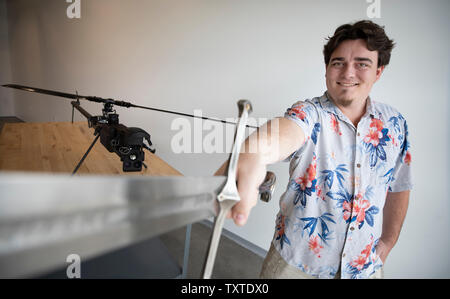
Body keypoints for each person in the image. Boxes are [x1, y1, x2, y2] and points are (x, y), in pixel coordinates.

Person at [215, 20, 412, 279]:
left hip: (365, 269)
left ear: (378, 72)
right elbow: (285, 131)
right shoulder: (309, 113)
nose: (348, 73)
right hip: (295, 267)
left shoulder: (395, 124)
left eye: (362, 64)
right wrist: (253, 152)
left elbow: (399, 186)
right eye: (338, 62)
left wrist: (387, 242)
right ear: (327, 69)